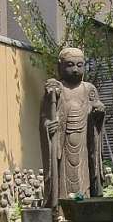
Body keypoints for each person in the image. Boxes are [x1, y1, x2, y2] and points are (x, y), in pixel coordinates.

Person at [40, 47, 106, 205]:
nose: (75, 69)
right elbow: (44, 118)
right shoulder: (56, 90)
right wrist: (48, 126)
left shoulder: (89, 89)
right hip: (62, 150)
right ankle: (62, 213)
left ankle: (85, 213)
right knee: (64, 184)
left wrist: (99, 113)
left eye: (79, 65)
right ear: (60, 66)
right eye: (70, 65)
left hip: (84, 148)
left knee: (84, 181)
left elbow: (97, 118)